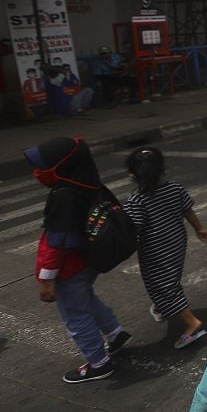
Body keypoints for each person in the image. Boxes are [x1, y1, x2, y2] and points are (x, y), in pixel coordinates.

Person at [24, 137, 131, 383]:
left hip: (69, 269)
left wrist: (46, 280)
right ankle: (115, 333)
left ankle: (98, 362)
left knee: (76, 316)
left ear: (61, 167)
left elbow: (54, 245)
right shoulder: (89, 184)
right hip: (87, 263)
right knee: (87, 299)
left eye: (44, 166)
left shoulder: (64, 195)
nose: (38, 172)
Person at [124, 147, 207, 349]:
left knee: (162, 284)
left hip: (155, 249)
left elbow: (133, 228)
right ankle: (163, 307)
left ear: (133, 175)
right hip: (177, 242)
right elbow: (188, 210)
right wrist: (199, 229)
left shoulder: (137, 200)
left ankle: (192, 323)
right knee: (170, 277)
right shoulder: (175, 188)